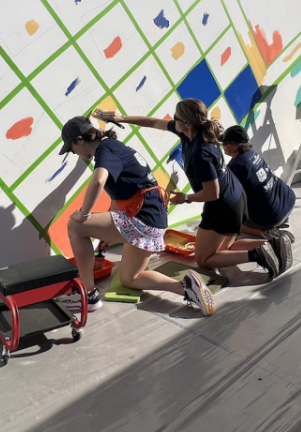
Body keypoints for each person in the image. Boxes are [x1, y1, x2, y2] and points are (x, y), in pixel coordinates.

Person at [96, 99, 281, 279]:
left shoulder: (200, 153)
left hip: (223, 205)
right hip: (234, 195)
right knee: (223, 250)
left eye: (175, 117)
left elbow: (212, 193)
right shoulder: (189, 133)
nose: (172, 120)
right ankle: (275, 243)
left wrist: (185, 198)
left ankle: (257, 255)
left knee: (204, 259)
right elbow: (153, 122)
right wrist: (122, 118)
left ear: (186, 123)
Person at [59, 116, 215, 315]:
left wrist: (84, 214)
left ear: (80, 140)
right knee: (130, 278)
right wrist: (106, 233)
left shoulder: (105, 151)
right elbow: (119, 196)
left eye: (72, 148)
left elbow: (98, 181)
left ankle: (89, 296)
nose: (74, 153)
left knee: (75, 225)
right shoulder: (115, 146)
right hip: (152, 217)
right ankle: (186, 287)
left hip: (142, 217)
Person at [222, 125, 296, 273]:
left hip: (273, 215)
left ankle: (267, 234)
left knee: (228, 220)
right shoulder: (251, 153)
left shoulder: (236, 166)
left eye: (224, 144)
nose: (222, 147)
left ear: (234, 146)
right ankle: (277, 228)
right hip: (288, 201)